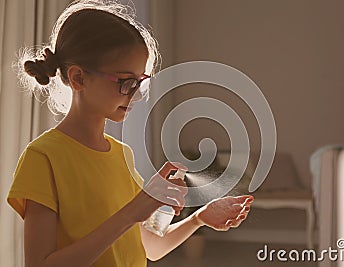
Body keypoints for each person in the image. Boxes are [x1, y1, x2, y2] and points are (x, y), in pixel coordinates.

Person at [6, 0, 254, 266]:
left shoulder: (122, 155)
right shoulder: (43, 157)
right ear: (78, 78)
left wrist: (199, 218)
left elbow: (151, 247)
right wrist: (134, 210)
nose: (136, 94)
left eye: (141, 82)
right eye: (126, 82)